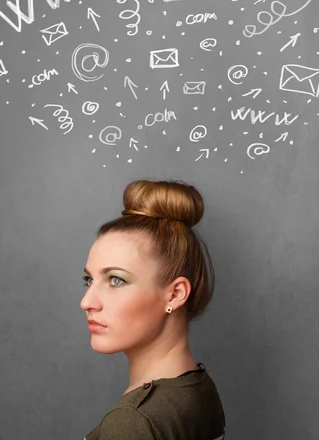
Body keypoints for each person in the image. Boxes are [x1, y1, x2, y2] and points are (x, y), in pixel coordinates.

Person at [81, 179, 226, 439]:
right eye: (89, 280)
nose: (87, 302)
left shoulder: (132, 422)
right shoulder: (198, 388)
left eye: (116, 280)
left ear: (175, 294)